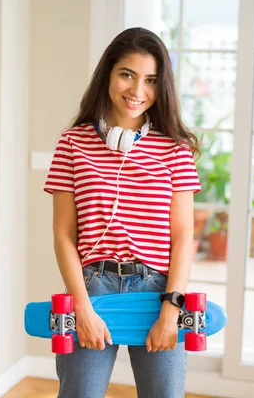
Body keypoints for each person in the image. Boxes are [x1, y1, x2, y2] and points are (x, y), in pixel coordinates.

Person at [43, 27, 201, 398]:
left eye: (150, 80)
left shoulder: (175, 150)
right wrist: (81, 306)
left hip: (158, 290)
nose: (137, 90)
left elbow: (183, 237)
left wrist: (171, 309)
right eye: (127, 74)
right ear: (108, 74)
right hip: (92, 287)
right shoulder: (73, 143)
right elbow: (64, 235)